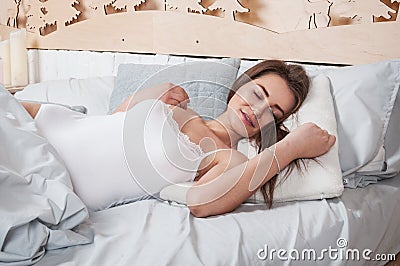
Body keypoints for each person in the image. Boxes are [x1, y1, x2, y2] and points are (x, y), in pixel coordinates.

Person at [21, 60, 335, 217]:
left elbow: (199, 203)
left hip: (50, 176)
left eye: (273, 111)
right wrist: (153, 94)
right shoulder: (178, 105)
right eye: (258, 93)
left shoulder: (228, 159)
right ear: (241, 85)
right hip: (40, 122)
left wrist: (290, 148)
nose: (258, 109)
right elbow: (110, 122)